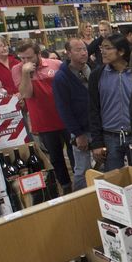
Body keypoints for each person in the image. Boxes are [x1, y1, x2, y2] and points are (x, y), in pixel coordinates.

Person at [12, 40, 73, 194]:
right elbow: (26, 94)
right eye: (22, 58)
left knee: (74, 153)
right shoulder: (17, 69)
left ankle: (81, 184)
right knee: (56, 157)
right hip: (43, 121)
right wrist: (26, 73)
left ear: (39, 54)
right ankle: (65, 187)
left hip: (65, 117)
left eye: (29, 57)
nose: (25, 61)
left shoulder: (55, 64)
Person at [88, 34, 132, 172]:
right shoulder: (97, 75)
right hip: (110, 136)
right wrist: (96, 143)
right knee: (114, 181)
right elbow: (93, 109)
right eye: (102, 48)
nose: (102, 51)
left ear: (121, 51)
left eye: (107, 48)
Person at [52, 38, 92, 192]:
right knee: (82, 169)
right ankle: (80, 199)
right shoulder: (61, 78)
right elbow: (64, 109)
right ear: (68, 54)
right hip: (80, 130)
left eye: (84, 49)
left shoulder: (91, 69)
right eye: (78, 50)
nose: (83, 53)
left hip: (96, 126)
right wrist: (78, 134)